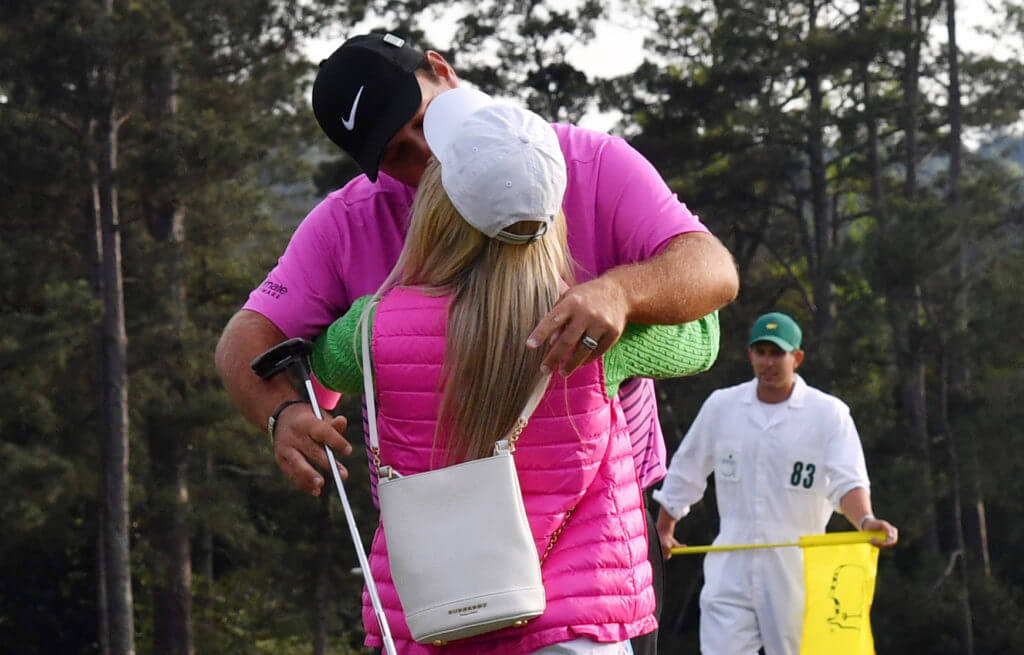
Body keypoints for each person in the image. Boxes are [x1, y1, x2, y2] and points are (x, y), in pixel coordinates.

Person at [213, 32, 738, 654]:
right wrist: (283, 411)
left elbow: (711, 269)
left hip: (582, 549)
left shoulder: (588, 159)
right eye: (395, 152)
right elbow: (247, 338)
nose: (426, 152)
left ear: (441, 71)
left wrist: (621, 292)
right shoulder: (349, 219)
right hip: (461, 555)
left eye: (418, 120)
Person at [652, 312, 898, 655]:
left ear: (796, 357)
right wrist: (664, 528)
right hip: (730, 564)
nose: (768, 361)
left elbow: (847, 483)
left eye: (777, 353)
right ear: (750, 355)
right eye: (761, 351)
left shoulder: (828, 414)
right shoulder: (722, 406)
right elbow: (686, 470)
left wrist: (866, 521)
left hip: (795, 570)